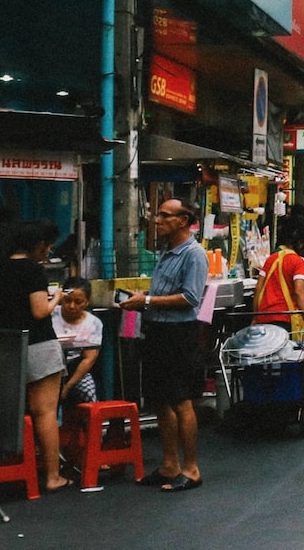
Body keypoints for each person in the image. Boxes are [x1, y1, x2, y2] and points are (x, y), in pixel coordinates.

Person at [118, 197, 209, 492]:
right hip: (157, 330)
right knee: (160, 399)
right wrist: (142, 299)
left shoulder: (193, 254)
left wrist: (146, 300)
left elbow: (191, 298)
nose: (157, 220)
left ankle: (191, 468)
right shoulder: (167, 251)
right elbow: (164, 293)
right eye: (157, 215)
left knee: (182, 401)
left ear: (182, 220)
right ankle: (170, 464)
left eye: (164, 215)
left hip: (179, 334)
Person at [0, 220, 70, 493]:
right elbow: (40, 312)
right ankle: (53, 476)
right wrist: (57, 298)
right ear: (37, 245)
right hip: (38, 345)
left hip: (4, 346)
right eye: (47, 246)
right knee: (44, 412)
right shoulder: (33, 270)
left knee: (7, 410)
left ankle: (2, 470)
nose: (48, 251)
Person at [255, 219, 304, 336]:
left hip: (263, 317)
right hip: (285, 319)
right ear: (301, 245)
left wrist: (255, 316)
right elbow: (298, 291)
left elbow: (259, 288)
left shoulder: (271, 258)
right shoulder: (299, 261)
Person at [52, 280, 103, 407]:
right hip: (51, 369)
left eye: (78, 302)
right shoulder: (51, 315)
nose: (71, 306)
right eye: (67, 301)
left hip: (76, 370)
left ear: (87, 302)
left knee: (88, 393)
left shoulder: (94, 324)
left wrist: (67, 387)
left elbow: (89, 359)